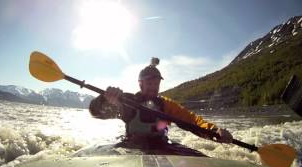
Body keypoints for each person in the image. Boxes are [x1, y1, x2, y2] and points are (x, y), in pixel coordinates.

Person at [89, 57, 233, 156]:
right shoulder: (127, 101)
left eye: (156, 84)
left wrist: (215, 131)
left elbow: (192, 121)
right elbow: (95, 111)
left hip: (161, 144)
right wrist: (105, 99)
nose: (154, 88)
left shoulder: (165, 104)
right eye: (149, 84)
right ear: (141, 84)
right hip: (132, 144)